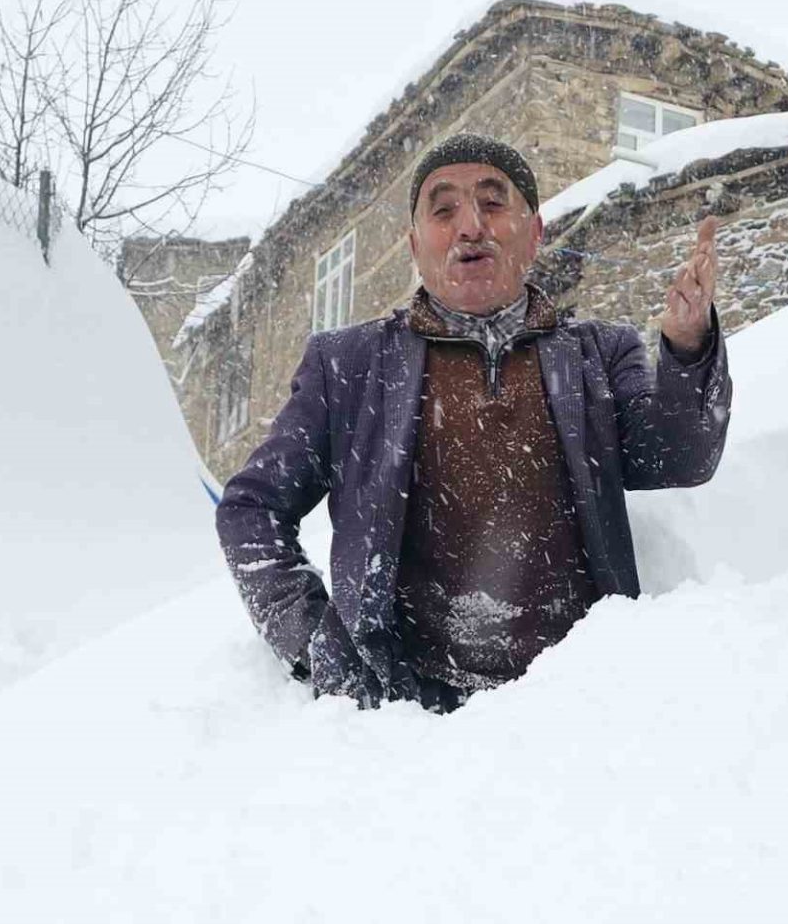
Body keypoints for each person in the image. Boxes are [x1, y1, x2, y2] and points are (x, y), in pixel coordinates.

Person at [216, 133, 732, 711]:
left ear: (534, 233)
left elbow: (679, 459)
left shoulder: (599, 355)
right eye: (444, 210)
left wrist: (688, 347)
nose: (470, 227)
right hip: (407, 720)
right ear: (415, 245)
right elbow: (251, 508)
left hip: (576, 706)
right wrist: (315, 642)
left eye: (492, 203)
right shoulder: (349, 366)